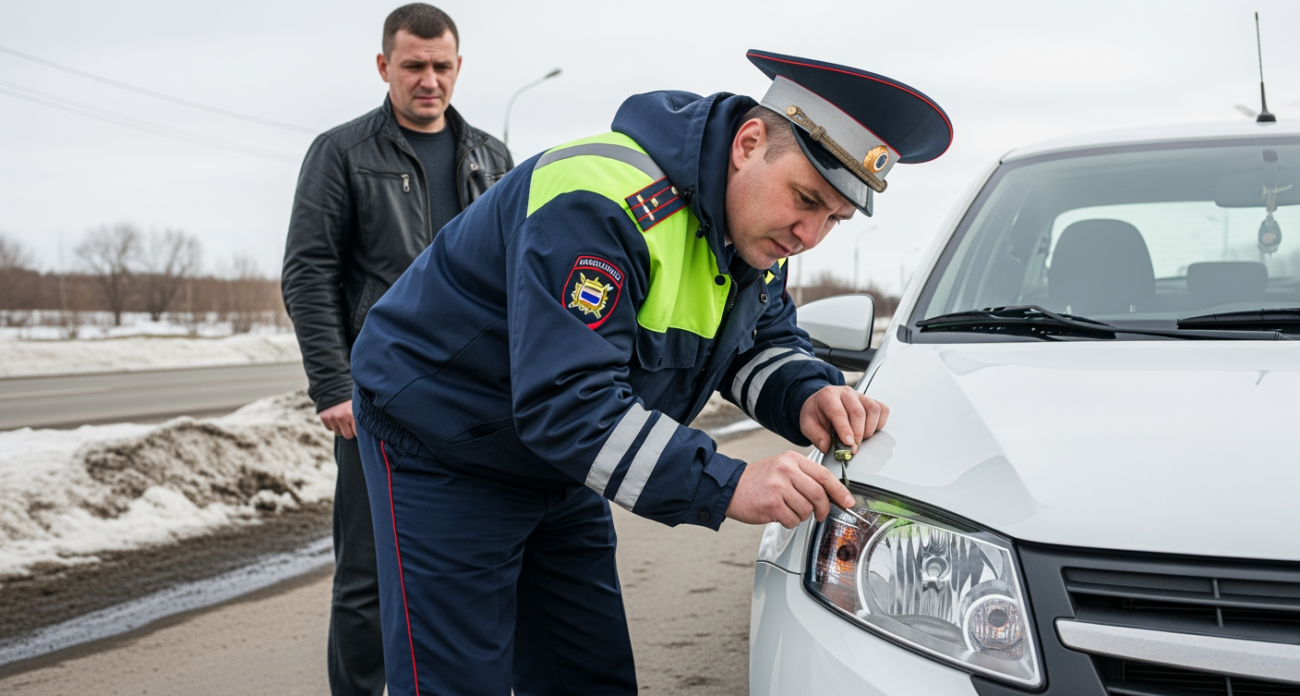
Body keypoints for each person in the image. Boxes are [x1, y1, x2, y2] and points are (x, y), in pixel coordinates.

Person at [349, 50, 952, 695]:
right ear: (749, 143)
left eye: (833, 219)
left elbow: (752, 343)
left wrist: (809, 394)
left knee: (589, 673)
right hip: (445, 441)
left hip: (551, 456)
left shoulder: (754, 223)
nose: (810, 235)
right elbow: (566, 404)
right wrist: (730, 482)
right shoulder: (600, 200)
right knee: (460, 681)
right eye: (806, 200)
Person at [280, 4, 511, 695]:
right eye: (414, 65)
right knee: (370, 575)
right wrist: (333, 386)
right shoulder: (342, 152)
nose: (429, 80)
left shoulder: (492, 158)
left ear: (459, 67)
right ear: (385, 66)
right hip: (378, 397)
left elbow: (518, 275)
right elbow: (308, 273)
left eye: (442, 66)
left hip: (473, 400)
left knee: (468, 563)